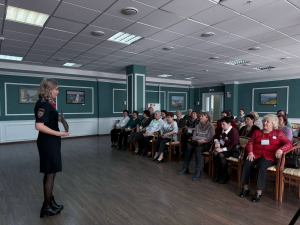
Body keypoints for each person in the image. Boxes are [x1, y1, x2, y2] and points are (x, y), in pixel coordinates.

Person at [34, 78, 70, 218]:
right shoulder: (43, 104)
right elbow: (39, 126)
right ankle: (46, 206)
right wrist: (59, 133)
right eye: (56, 89)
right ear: (48, 90)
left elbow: (47, 120)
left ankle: (50, 201)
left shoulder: (47, 104)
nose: (57, 91)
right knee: (50, 173)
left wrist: (58, 119)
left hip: (51, 142)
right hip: (48, 142)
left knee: (51, 173)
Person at [239, 114, 293, 202]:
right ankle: (245, 188)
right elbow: (250, 143)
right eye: (264, 121)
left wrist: (280, 150)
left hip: (269, 156)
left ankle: (258, 192)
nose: (265, 123)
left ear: (273, 123)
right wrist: (250, 152)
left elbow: (289, 144)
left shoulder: (278, 133)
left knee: (262, 166)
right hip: (255, 154)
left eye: (268, 121)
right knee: (247, 163)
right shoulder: (257, 132)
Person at [178, 112, 215, 180]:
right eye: (200, 116)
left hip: (206, 144)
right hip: (197, 143)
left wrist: (201, 139)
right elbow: (194, 137)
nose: (200, 117)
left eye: (202, 116)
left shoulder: (210, 126)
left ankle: (198, 171)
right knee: (189, 148)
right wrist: (201, 139)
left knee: (197, 150)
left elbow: (210, 138)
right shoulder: (198, 125)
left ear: (206, 119)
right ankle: (185, 168)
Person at [213, 117, 239, 184]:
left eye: (223, 124)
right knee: (215, 153)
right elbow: (215, 136)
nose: (222, 126)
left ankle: (225, 175)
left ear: (229, 124)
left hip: (231, 150)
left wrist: (222, 149)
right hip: (222, 148)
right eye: (221, 124)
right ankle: (217, 174)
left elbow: (234, 144)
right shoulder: (220, 129)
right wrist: (216, 142)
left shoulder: (234, 131)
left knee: (221, 155)